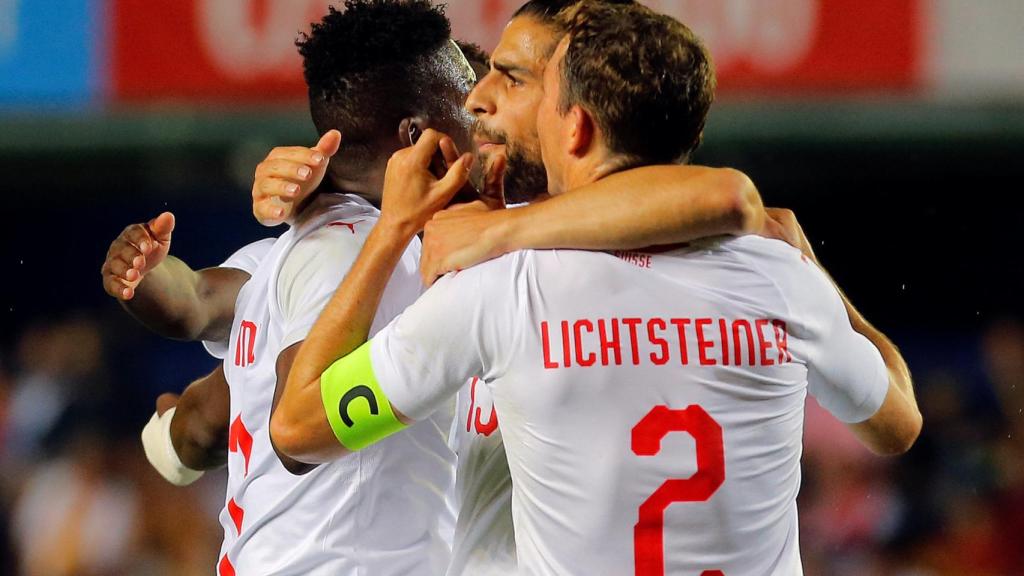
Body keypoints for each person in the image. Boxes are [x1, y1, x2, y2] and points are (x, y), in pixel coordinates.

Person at [269, 2, 922, 575]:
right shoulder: (778, 276)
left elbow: (297, 430)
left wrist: (394, 227)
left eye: (518, 80)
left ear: (573, 125)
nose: (480, 97)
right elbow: (898, 424)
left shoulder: (501, 288)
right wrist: (808, 270)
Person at [102, 2, 485, 573]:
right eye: (470, 107)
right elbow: (297, 423)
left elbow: (206, 422)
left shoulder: (302, 252)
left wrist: (172, 434)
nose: (485, 127)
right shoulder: (350, 253)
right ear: (416, 135)